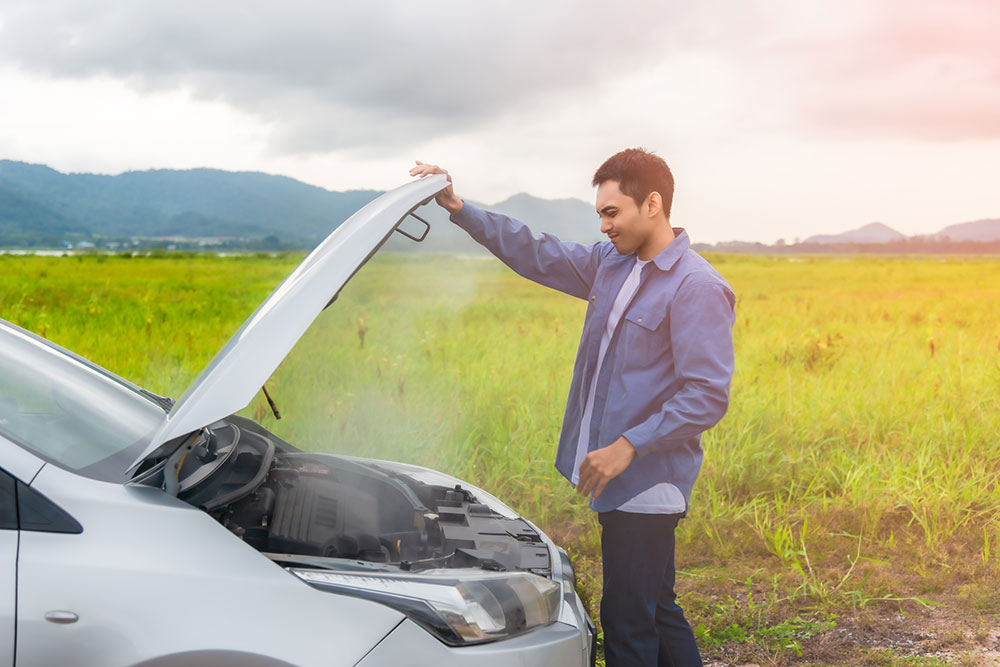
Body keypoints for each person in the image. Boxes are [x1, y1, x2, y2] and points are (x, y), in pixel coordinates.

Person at [410, 148, 735, 667]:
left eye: (612, 212)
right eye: (600, 215)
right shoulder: (611, 264)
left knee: (627, 620)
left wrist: (628, 446)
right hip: (620, 480)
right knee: (655, 607)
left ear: (652, 204)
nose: (604, 225)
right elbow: (535, 251)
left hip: (648, 485)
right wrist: (459, 207)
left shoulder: (697, 286)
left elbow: (707, 394)